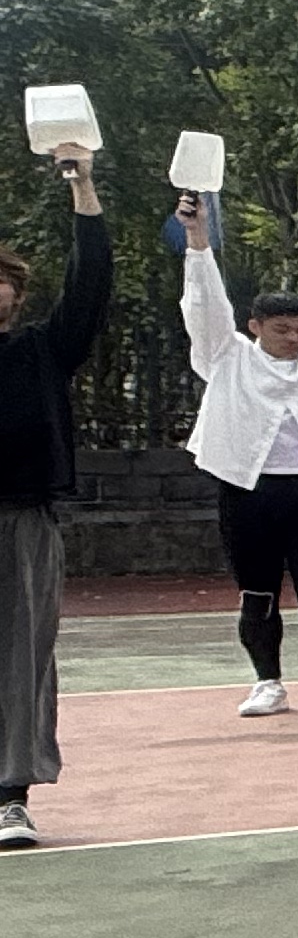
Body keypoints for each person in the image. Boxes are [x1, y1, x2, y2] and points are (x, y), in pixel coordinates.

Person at [180, 190, 298, 717]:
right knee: (257, 589)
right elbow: (204, 305)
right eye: (282, 329)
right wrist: (197, 239)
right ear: (255, 327)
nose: (294, 337)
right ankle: (268, 679)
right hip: (247, 489)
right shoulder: (226, 356)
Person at [0, 137, 111, 849]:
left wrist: (82, 186)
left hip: (22, 521)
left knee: (21, 658)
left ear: (14, 292)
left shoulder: (42, 348)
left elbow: (90, 283)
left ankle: (10, 795)